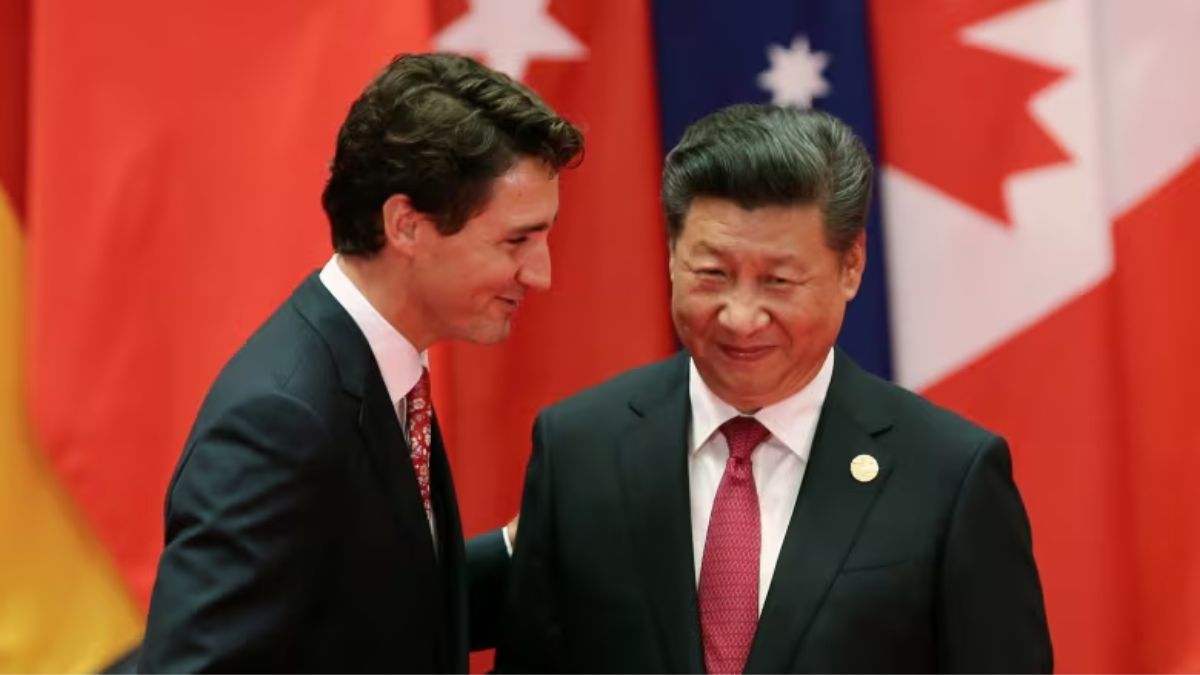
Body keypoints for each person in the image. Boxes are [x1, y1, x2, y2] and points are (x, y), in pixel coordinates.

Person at [495, 104, 1051, 673]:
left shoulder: (948, 473)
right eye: (711, 274)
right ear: (670, 255)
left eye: (778, 282)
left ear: (851, 266)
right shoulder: (580, 446)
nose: (740, 316)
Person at [139, 52, 583, 673]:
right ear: (406, 225)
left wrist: (524, 548)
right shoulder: (281, 420)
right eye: (517, 240)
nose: (542, 274)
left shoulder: (379, 369)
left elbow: (380, 611)